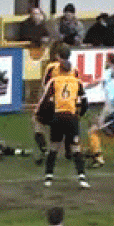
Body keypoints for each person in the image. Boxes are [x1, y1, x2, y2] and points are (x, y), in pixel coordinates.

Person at [38, 60, 90, 189]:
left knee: (54, 148)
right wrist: (80, 114)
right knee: (76, 148)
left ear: (60, 70)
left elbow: (45, 101)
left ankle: (48, 177)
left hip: (58, 116)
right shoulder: (77, 82)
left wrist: (43, 117)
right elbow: (84, 102)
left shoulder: (54, 82)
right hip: (71, 118)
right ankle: (82, 178)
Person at [32, 44, 79, 165]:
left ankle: (44, 149)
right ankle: (69, 151)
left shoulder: (51, 67)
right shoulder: (74, 69)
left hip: (52, 102)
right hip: (68, 103)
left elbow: (45, 85)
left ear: (57, 55)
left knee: (37, 123)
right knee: (68, 125)